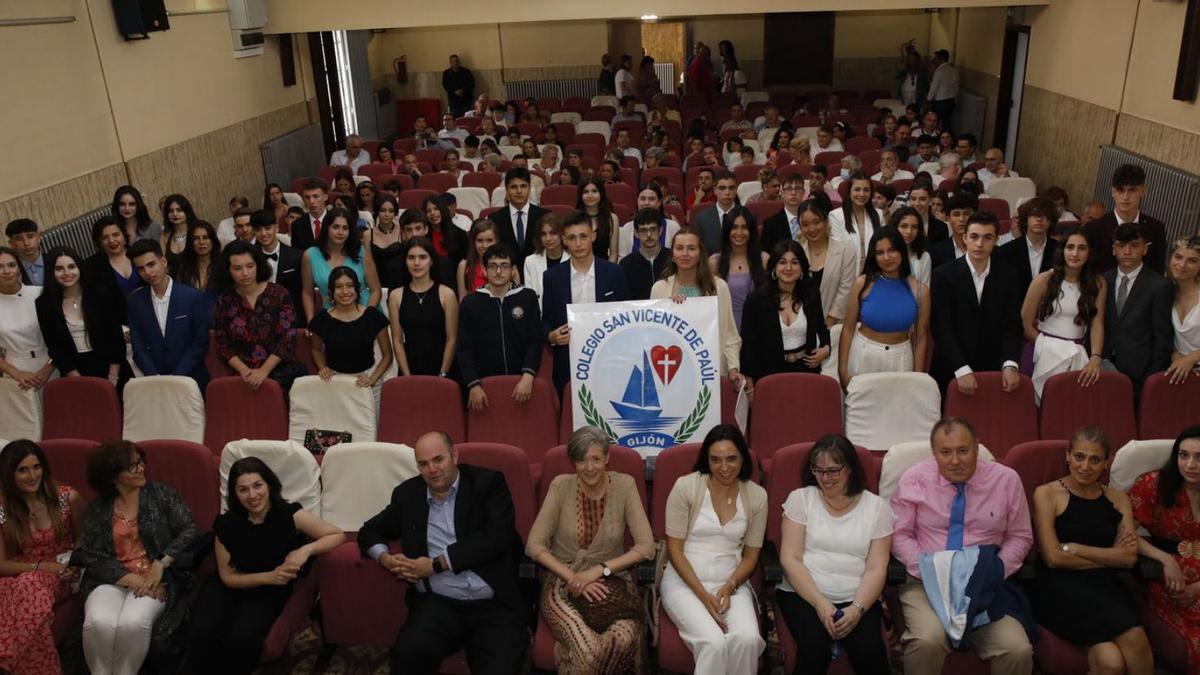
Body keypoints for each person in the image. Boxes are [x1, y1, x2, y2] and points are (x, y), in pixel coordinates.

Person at [359, 431, 529, 673]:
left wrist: (435, 564)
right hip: (438, 603)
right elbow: (369, 531)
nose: (432, 469)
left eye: (438, 460)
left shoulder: (488, 484)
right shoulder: (408, 495)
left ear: (455, 455)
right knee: (407, 656)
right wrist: (386, 559)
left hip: (493, 603)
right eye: (423, 464)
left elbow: (496, 536)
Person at [890, 418, 1035, 674]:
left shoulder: (1006, 480)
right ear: (934, 453)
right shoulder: (915, 478)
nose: (955, 460)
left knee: (1016, 649)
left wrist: (997, 569)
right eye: (945, 452)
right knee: (927, 641)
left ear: (977, 448)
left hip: (985, 585)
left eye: (963, 451)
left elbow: (1021, 536)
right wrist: (928, 568)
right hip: (925, 582)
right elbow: (899, 534)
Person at [183, 458, 344, 674]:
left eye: (257, 485)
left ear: (269, 484)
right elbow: (228, 577)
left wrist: (304, 550)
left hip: (268, 592)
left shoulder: (290, 515)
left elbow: (337, 535)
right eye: (243, 489)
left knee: (242, 639)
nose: (252, 495)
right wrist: (270, 576)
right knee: (201, 633)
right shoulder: (226, 523)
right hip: (231, 587)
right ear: (235, 493)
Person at [526, 426, 654, 673]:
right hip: (563, 584)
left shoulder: (625, 485)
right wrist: (574, 577)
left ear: (607, 458)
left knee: (621, 642)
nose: (589, 467)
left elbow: (646, 547)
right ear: (573, 462)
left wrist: (598, 571)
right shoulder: (560, 486)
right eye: (581, 460)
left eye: (596, 459)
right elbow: (534, 545)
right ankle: (573, 655)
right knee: (590, 651)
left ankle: (567, 658)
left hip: (613, 584)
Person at [1030, 427, 1153, 675]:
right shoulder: (1047, 493)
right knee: (1128, 646)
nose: (1085, 466)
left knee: (1113, 661)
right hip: (1058, 588)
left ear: (1105, 463)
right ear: (1068, 456)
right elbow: (1053, 558)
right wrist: (1110, 557)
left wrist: (1076, 549)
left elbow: (1128, 558)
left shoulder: (1118, 499)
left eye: (1095, 459)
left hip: (1106, 587)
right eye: (1079, 457)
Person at [77, 440, 197, 675]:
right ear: (113, 476)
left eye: (140, 462)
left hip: (156, 580)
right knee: (99, 622)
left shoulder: (161, 495)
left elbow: (190, 529)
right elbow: (93, 556)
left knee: (132, 623)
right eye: (131, 466)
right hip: (111, 580)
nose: (140, 468)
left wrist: (161, 562)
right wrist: (135, 581)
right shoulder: (98, 509)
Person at [777, 434, 892, 674]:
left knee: (869, 650)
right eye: (818, 471)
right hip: (804, 595)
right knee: (815, 648)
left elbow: (876, 568)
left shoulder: (877, 508)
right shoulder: (801, 499)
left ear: (849, 469)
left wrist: (857, 608)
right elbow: (791, 559)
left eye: (832, 471)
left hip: (857, 596)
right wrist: (821, 605)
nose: (825, 479)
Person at [661, 424, 766, 674]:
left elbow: (751, 555)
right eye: (716, 460)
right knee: (713, 643)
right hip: (684, 582)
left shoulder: (757, 495)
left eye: (731, 458)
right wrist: (702, 595)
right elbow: (674, 550)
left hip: (731, 582)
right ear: (706, 460)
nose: (724, 467)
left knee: (747, 640)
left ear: (743, 458)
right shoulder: (686, 487)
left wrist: (729, 587)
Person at [0, 440, 83, 675]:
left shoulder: (67, 498)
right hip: (14, 578)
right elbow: (1, 565)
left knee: (29, 584)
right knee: (23, 586)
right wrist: (41, 566)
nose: (32, 475)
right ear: (9, 474)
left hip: (61, 575)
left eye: (36, 467)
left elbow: (84, 541)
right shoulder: (2, 508)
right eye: (22, 470)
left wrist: (73, 565)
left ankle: (6, 659)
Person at [930, 212, 1023, 393]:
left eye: (987, 237)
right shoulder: (943, 275)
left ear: (996, 240)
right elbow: (942, 326)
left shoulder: (1009, 275)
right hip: (951, 367)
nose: (980, 244)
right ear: (964, 238)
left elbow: (1012, 324)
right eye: (974, 236)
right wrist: (961, 368)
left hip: (994, 366)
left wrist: (1010, 364)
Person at [543, 212, 631, 391]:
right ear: (564, 240)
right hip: (568, 363)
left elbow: (628, 316)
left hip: (610, 361)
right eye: (572, 238)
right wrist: (551, 336)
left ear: (593, 236)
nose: (578, 243)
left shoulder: (614, 272)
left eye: (583, 236)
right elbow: (546, 320)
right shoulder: (552, 277)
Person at [1133, 423, 1200, 660]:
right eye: (1183, 455)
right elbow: (1125, 534)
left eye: (1199, 457)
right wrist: (1164, 559)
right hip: (1169, 579)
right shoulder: (1153, 484)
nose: (1190, 465)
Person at [652, 228, 745, 390]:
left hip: (711, 370)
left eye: (691, 248)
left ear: (700, 254)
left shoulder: (719, 287)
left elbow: (730, 335)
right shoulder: (659, 289)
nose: (685, 254)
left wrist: (733, 368)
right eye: (679, 248)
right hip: (674, 374)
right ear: (672, 254)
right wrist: (669, 308)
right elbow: (653, 336)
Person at [839, 228, 930, 389]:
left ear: (901, 251)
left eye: (892, 250)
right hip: (864, 355)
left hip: (901, 358)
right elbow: (847, 328)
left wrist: (918, 376)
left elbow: (921, 337)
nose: (886, 257)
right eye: (880, 252)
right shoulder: (862, 283)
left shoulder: (921, 291)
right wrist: (842, 370)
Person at [1019, 231, 1106, 396]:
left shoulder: (1098, 283)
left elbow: (1097, 323)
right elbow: (1025, 323)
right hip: (1041, 351)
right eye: (1070, 247)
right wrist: (1049, 347)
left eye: (1082, 248)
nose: (1075, 253)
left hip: (1076, 354)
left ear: (1089, 253)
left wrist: (1095, 358)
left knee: (1067, 410)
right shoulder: (1043, 280)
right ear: (1062, 251)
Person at [457, 243, 542, 410]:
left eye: (504, 266)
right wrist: (473, 384)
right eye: (493, 266)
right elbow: (464, 348)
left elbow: (535, 341)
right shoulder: (470, 303)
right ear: (483, 270)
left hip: (522, 383)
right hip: (483, 387)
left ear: (513, 270)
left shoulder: (527, 297)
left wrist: (528, 376)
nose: (498, 271)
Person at [36, 246, 132, 390]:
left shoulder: (101, 294)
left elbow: (116, 338)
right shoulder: (44, 304)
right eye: (59, 269)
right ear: (51, 272)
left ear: (79, 267)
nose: (67, 273)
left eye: (71, 266)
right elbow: (55, 347)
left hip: (113, 367)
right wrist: (79, 381)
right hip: (75, 371)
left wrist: (113, 378)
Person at [212, 241, 302, 392]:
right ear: (228, 270)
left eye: (250, 266)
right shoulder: (225, 301)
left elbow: (288, 339)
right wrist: (245, 371)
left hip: (281, 373)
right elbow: (223, 344)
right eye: (237, 268)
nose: (245, 273)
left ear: (258, 265)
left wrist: (263, 371)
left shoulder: (279, 294)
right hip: (242, 375)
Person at [1102, 224, 1174, 398]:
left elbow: (1163, 336)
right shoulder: (1103, 280)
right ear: (1113, 249)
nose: (1127, 251)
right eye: (1121, 245)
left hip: (1140, 374)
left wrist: (1151, 377)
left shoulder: (1159, 286)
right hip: (1101, 366)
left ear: (1144, 249)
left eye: (1134, 245)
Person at [739, 240, 829, 379]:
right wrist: (750, 387)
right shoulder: (755, 300)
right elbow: (748, 347)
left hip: (806, 373)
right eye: (782, 262)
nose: (788, 268)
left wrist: (826, 348)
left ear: (802, 268)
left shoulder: (811, 294)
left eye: (794, 262)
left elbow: (822, 329)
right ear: (774, 267)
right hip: (768, 375)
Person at [126, 239, 210, 389]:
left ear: (163, 262)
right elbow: (138, 346)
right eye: (140, 268)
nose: (148, 272)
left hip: (191, 379)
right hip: (156, 382)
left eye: (151, 264)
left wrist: (176, 377)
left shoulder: (191, 297)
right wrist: (155, 377)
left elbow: (200, 342)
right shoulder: (135, 301)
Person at [309, 266, 393, 392]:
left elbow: (388, 356)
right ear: (331, 291)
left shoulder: (373, 316)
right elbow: (316, 349)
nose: (345, 291)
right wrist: (323, 368)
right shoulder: (322, 319)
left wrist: (372, 379)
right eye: (338, 287)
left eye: (349, 285)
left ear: (357, 289)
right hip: (335, 381)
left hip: (367, 380)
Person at [388, 237, 459, 378]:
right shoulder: (396, 296)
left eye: (422, 257)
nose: (416, 263)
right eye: (411, 257)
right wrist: (407, 377)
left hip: (443, 369)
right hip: (409, 370)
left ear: (431, 260)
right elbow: (397, 340)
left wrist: (443, 374)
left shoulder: (447, 294)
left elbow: (452, 339)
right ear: (405, 261)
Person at [300, 207, 380, 324]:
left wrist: (368, 316)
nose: (340, 232)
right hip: (331, 317)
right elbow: (307, 293)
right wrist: (311, 321)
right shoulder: (310, 255)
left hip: (366, 312)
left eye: (345, 228)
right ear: (326, 228)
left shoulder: (361, 252)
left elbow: (376, 289)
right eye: (336, 227)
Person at [1086, 164, 1168, 274]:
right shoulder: (1093, 229)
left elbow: (1157, 273)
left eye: (1132, 190)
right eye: (1120, 190)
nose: (1125, 197)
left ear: (1143, 191)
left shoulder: (1156, 229)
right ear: (1112, 192)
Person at [0, 247, 56, 390]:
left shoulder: (40, 293)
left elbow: (62, 338)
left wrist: (46, 370)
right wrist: (17, 373)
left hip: (52, 365)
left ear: (19, 268)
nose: (6, 271)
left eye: (11, 265)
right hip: (16, 375)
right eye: (0, 267)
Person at [797, 200, 859, 327]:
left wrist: (827, 325)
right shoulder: (796, 253)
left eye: (816, 222)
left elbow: (845, 291)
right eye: (805, 224)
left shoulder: (845, 249)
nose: (811, 229)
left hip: (835, 325)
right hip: (801, 326)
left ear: (826, 222)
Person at [709, 205, 767, 330]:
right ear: (727, 231)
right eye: (734, 228)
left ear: (751, 231)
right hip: (724, 330)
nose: (739, 233)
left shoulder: (764, 260)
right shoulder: (714, 262)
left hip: (759, 330)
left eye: (744, 227)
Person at [997, 196, 1061, 299]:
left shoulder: (1060, 250)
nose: (1039, 219)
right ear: (1025, 219)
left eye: (1045, 215)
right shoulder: (1005, 251)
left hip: (1050, 308)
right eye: (1034, 215)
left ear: (1051, 221)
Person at [251, 208, 305, 327]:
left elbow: (302, 294)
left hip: (290, 319)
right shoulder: (249, 258)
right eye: (258, 230)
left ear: (276, 228)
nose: (263, 233)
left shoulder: (296, 256)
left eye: (267, 228)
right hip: (257, 320)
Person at [82, 216, 140, 318]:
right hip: (120, 325)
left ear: (123, 235)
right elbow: (97, 304)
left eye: (116, 235)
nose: (112, 240)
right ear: (99, 242)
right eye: (105, 237)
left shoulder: (138, 254)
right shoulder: (92, 267)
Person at [491, 168, 547, 270]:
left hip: (539, 274)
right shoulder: (495, 219)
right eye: (513, 187)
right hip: (506, 277)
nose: (519, 191)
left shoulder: (544, 216)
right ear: (507, 190)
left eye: (523, 186)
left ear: (529, 189)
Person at [1166, 236, 1200, 385]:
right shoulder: (1165, 291)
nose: (1182, 265)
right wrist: (1176, 356)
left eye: (1192, 261)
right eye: (1178, 257)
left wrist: (1192, 358)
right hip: (1179, 372)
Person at [828, 173, 884, 261]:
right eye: (857, 189)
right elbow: (837, 252)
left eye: (866, 190)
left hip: (873, 268)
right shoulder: (836, 216)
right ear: (849, 191)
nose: (862, 194)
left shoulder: (879, 214)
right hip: (847, 269)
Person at [619, 208, 671, 302]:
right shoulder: (626, 264)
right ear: (636, 233)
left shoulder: (672, 258)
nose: (649, 235)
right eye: (643, 230)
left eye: (653, 229)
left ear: (660, 231)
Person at [174, 221, 222, 318]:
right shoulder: (184, 268)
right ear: (190, 242)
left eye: (206, 237)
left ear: (212, 240)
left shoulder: (223, 266)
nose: (201, 242)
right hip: (191, 318)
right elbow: (179, 297)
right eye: (196, 238)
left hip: (218, 319)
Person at [690, 170, 739, 254]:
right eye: (722, 188)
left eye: (731, 188)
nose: (727, 193)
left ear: (736, 189)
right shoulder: (701, 219)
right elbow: (697, 250)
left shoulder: (748, 216)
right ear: (715, 190)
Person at [523, 212, 564, 309]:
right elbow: (530, 299)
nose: (548, 238)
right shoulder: (530, 261)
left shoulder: (573, 259)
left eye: (553, 233)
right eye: (543, 234)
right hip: (540, 317)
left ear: (562, 234)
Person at [928, 192, 979, 269]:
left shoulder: (987, 248)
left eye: (967, 213)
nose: (962, 219)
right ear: (948, 219)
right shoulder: (936, 252)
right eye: (956, 214)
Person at [760, 173, 806, 254]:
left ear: (803, 193)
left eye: (797, 188)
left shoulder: (812, 220)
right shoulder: (770, 224)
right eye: (788, 188)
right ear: (782, 193)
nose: (793, 193)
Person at [576, 176, 620, 262]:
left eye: (594, 191)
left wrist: (607, 274)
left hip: (605, 268)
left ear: (601, 193)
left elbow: (613, 254)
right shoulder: (575, 218)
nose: (590, 195)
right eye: (585, 192)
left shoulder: (612, 218)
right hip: (579, 267)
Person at [457, 218, 502, 299]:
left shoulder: (507, 265)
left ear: (497, 241)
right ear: (473, 242)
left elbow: (516, 298)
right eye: (480, 240)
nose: (484, 245)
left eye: (489, 240)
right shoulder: (464, 266)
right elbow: (462, 301)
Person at [891, 206, 932, 288]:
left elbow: (925, 289)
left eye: (914, 227)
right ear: (894, 227)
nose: (909, 231)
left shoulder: (924, 256)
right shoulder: (886, 254)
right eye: (904, 226)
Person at [291, 179, 329, 253]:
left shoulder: (337, 220)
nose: (311, 201)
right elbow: (297, 255)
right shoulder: (297, 225)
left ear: (325, 197)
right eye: (307, 197)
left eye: (315, 196)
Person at [160, 194, 199, 261]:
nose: (175, 214)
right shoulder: (165, 235)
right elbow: (162, 262)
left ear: (187, 212)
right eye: (171, 211)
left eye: (179, 210)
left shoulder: (197, 231)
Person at [5, 219, 44, 286]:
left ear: (39, 237)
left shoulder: (54, 261)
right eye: (19, 239)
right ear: (11, 243)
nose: (26, 243)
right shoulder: (10, 271)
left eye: (30, 237)